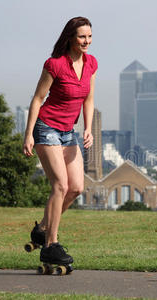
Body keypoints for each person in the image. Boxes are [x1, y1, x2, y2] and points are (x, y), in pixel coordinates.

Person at [23, 16, 97, 266]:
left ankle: (42, 228)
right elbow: (37, 99)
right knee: (60, 186)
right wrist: (29, 134)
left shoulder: (91, 64)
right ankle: (50, 245)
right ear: (71, 38)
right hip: (47, 129)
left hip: (68, 132)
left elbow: (88, 99)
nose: (86, 41)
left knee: (76, 187)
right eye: (81, 37)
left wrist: (88, 128)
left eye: (89, 36)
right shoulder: (55, 64)